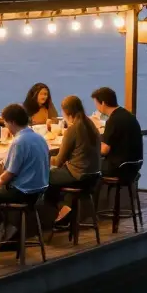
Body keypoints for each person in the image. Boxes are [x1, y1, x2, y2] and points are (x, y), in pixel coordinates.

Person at [0, 103, 51, 250]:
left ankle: (8, 228)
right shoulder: (39, 138)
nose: (6, 126)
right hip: (40, 192)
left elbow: (10, 173)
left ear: (12, 122)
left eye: (5, 123)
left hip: (23, 192)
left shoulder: (19, 141)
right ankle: (11, 233)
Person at [47, 94, 102, 225]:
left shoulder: (73, 129)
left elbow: (59, 161)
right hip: (93, 175)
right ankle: (66, 209)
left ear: (66, 111)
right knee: (53, 179)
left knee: (43, 178)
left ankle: (64, 208)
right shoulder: (90, 124)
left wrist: (44, 158)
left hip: (79, 175)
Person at [91, 86, 144, 177]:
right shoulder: (129, 116)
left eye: (96, 104)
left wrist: (89, 150)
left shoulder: (113, 120)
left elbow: (104, 150)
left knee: (88, 166)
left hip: (118, 167)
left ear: (103, 103)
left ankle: (93, 190)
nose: (97, 108)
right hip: (134, 166)